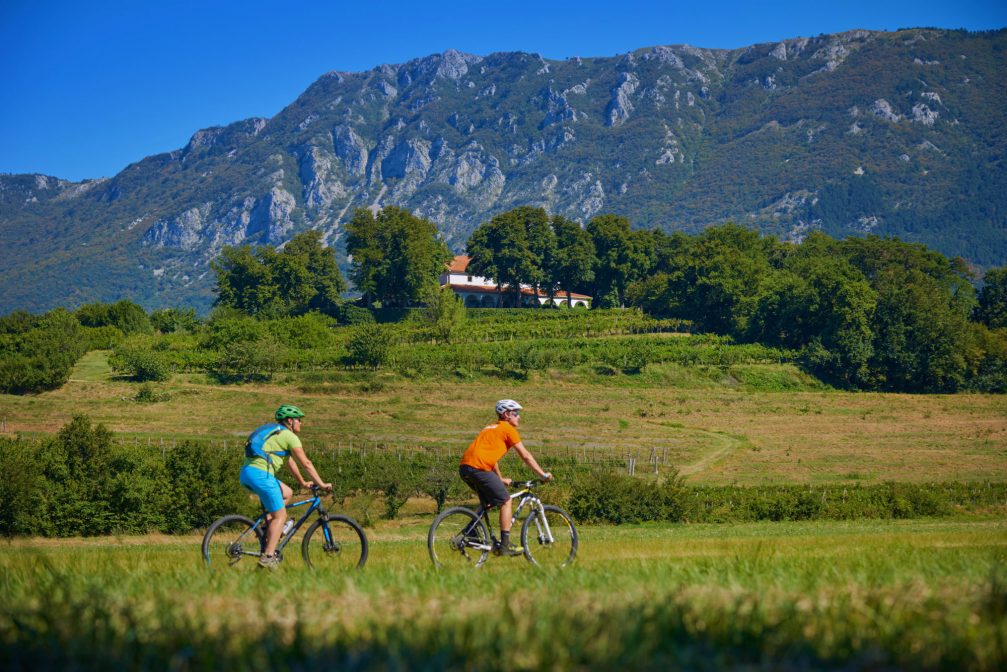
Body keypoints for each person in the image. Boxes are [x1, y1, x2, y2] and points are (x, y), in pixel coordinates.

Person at [239, 404, 332, 569]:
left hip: (248, 473)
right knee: (280, 516)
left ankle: (268, 529)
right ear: (290, 420)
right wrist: (322, 484)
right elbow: (306, 463)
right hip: (262, 476)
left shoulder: (276, 433)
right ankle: (268, 557)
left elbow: (289, 463)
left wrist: (302, 482)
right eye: (299, 420)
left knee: (287, 493)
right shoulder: (289, 436)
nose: (301, 423)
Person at [459, 399, 552, 556]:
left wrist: (500, 479)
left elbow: (490, 458)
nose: (519, 417)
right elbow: (525, 456)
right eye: (516, 413)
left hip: (465, 468)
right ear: (507, 414)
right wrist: (542, 475)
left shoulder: (489, 428)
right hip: (479, 468)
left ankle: (470, 532)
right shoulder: (508, 429)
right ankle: (505, 545)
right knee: (506, 500)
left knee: (489, 501)